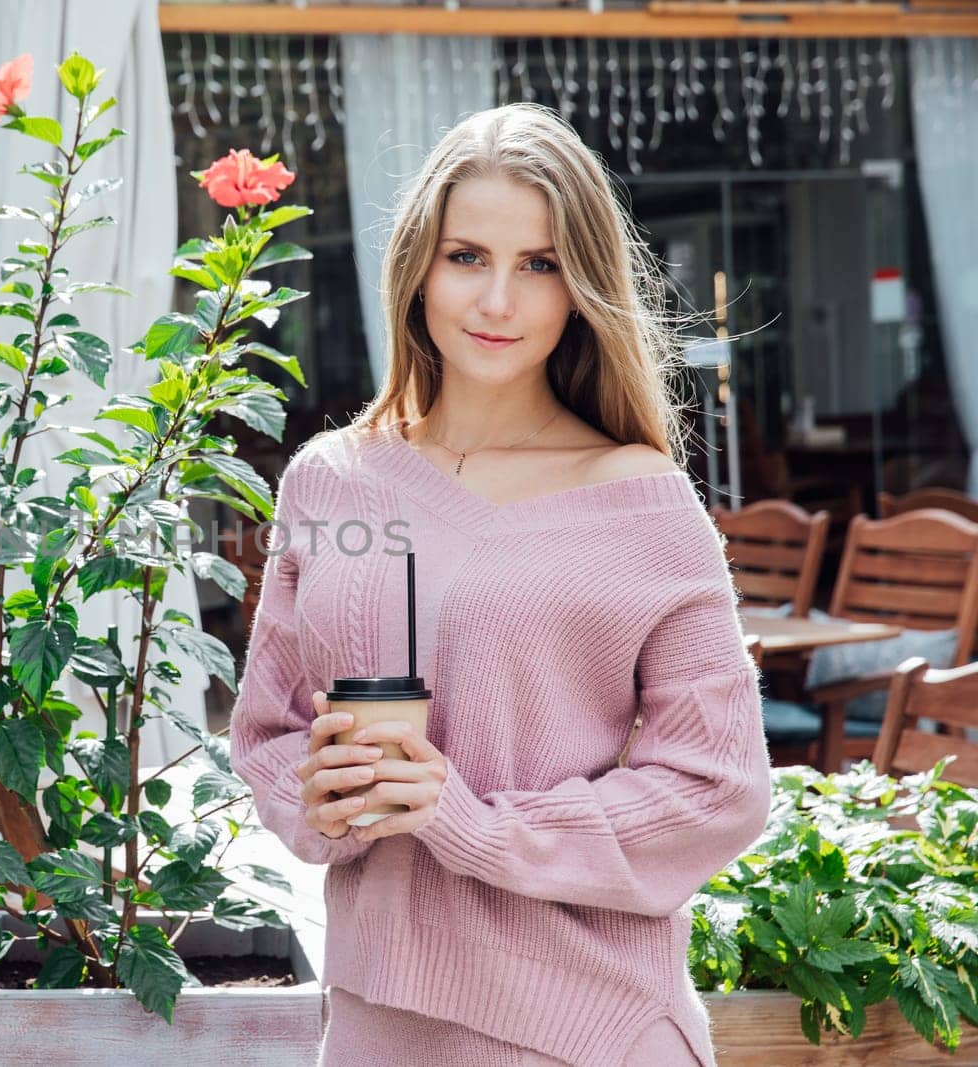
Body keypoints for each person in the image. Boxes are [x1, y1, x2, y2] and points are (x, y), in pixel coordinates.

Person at [228, 103, 770, 1066]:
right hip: (375, 1014)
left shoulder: (640, 499)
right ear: (417, 269)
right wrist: (318, 802)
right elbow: (268, 727)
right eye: (467, 256)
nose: (498, 304)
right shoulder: (330, 479)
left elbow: (717, 789)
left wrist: (471, 823)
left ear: (580, 287)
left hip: (585, 1025)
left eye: (541, 264)